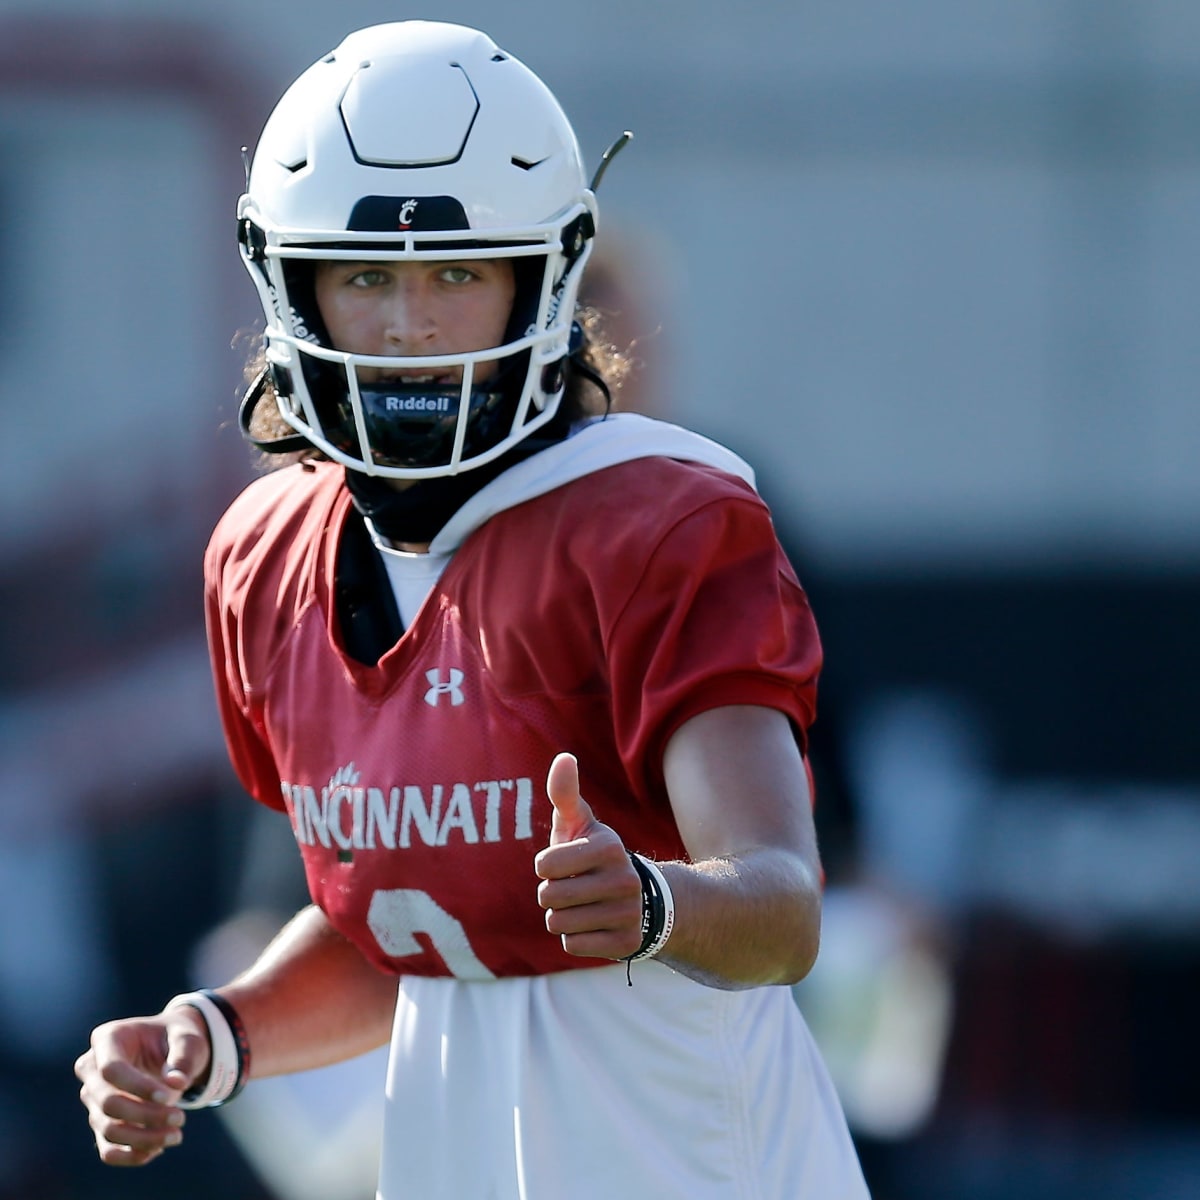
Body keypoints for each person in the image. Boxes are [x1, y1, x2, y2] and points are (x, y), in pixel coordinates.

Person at [75, 20, 870, 1199]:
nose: (408, 324)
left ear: (540, 279)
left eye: (456, 272)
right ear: (290, 284)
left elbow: (781, 907)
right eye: (364, 277)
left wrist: (654, 901)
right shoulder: (267, 558)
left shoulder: (653, 520)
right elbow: (404, 940)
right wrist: (220, 1038)